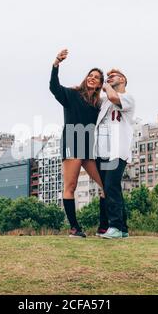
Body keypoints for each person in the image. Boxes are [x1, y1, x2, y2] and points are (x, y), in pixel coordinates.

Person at [49, 49, 105, 238]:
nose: (92, 78)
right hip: (72, 142)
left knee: (105, 186)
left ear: (100, 84)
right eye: (90, 75)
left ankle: (104, 227)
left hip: (88, 147)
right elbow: (54, 88)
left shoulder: (98, 104)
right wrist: (56, 64)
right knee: (70, 186)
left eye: (96, 77)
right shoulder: (72, 94)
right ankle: (74, 228)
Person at [94, 69, 136, 239]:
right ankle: (122, 228)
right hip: (102, 151)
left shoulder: (128, 98)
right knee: (110, 189)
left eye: (113, 76)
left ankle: (115, 227)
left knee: (111, 186)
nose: (109, 78)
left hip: (118, 150)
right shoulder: (105, 102)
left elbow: (113, 97)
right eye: (108, 76)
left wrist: (105, 85)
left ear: (123, 79)